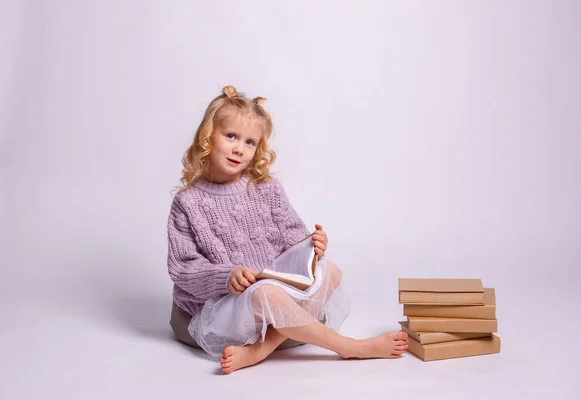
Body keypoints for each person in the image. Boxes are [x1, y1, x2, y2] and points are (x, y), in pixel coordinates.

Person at [167, 85, 409, 374]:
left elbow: (293, 239)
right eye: (230, 136)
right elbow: (183, 270)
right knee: (266, 294)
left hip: (276, 287)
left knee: (330, 270)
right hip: (227, 303)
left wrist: (313, 246)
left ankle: (259, 350)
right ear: (207, 136)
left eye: (249, 142)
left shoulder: (265, 188)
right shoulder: (188, 202)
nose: (238, 148)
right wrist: (226, 276)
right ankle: (350, 348)